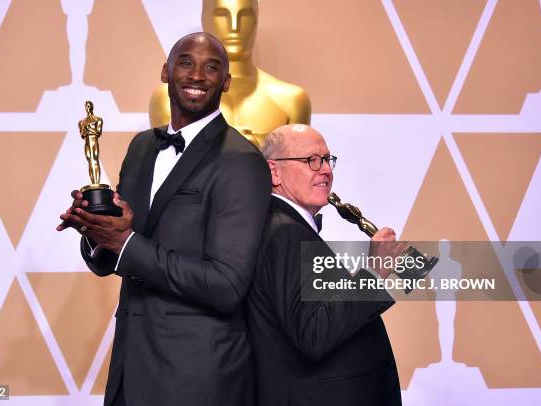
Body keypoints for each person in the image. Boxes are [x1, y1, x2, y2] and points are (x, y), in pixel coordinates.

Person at [57, 32, 270, 406]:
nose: (198, 75)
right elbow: (117, 256)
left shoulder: (241, 161)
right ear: (165, 72)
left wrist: (126, 243)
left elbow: (226, 285)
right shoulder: (141, 147)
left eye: (212, 67)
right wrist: (96, 231)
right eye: (186, 62)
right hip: (130, 367)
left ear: (226, 82)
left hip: (198, 379)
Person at [246, 124, 402, 406]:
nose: (326, 170)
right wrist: (374, 272)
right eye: (311, 160)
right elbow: (313, 335)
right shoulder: (286, 233)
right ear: (274, 172)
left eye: (328, 160)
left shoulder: (282, 228)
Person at [149, 0, 311, 148]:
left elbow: (297, 172)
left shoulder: (291, 100)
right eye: (222, 15)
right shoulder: (168, 96)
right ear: (205, 19)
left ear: (256, 20)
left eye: (245, 16)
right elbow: (167, 167)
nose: (234, 27)